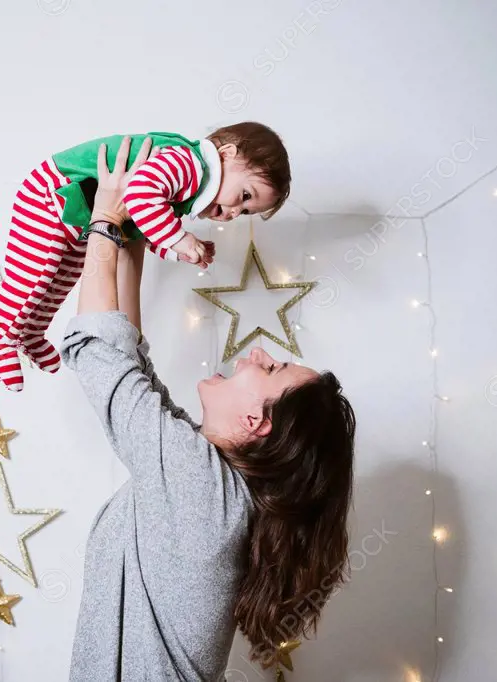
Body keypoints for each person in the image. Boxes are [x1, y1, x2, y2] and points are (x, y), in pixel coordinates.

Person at [58, 137, 356, 681]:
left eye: (270, 370)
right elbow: (130, 367)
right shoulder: (211, 482)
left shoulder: (204, 494)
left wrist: (103, 220)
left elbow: (102, 357)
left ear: (256, 424)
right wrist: (133, 239)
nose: (258, 353)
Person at [0, 122, 291, 391]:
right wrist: (179, 238)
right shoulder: (190, 165)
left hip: (80, 214)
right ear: (226, 154)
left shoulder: (189, 190)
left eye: (245, 212)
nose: (235, 211)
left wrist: (174, 250)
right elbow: (138, 196)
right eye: (245, 195)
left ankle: (30, 331)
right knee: (33, 273)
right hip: (51, 193)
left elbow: (142, 225)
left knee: (62, 277)